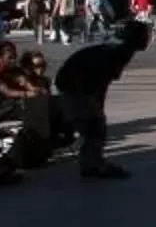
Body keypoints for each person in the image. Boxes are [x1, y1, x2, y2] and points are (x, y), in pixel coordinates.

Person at [53, 19, 148, 179]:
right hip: (75, 86)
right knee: (93, 127)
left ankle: (93, 163)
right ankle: (93, 165)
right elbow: (100, 81)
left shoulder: (121, 50)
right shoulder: (119, 52)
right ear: (134, 37)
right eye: (145, 35)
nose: (147, 39)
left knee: (95, 126)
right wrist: (95, 104)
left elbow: (103, 81)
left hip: (77, 84)